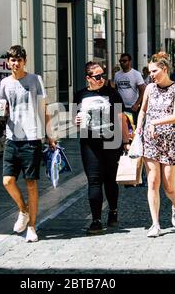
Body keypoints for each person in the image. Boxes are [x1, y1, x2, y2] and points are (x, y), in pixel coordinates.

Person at [0, 45, 57, 243]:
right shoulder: (4, 83)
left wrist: (50, 134)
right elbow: (3, 108)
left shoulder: (34, 80)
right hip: (12, 137)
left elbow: (44, 108)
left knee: (31, 184)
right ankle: (23, 210)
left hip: (31, 138)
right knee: (7, 181)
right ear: (8, 62)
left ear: (25, 61)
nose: (16, 63)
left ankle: (32, 227)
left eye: (19, 59)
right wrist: (0, 111)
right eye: (12, 60)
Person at [74, 61, 130, 235]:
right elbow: (77, 119)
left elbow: (121, 119)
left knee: (110, 179)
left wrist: (126, 142)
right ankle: (96, 220)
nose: (102, 79)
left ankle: (113, 211)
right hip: (89, 143)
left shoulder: (112, 93)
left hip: (111, 141)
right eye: (97, 76)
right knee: (94, 180)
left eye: (103, 75)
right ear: (88, 78)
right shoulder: (80, 95)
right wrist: (76, 122)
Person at [136, 52, 175, 238]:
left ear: (164, 69)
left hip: (171, 140)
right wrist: (139, 130)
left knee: (168, 186)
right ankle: (155, 224)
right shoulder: (149, 88)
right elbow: (143, 111)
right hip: (150, 140)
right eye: (150, 72)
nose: (151, 75)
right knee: (153, 183)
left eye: (154, 71)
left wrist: (155, 123)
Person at [112, 53, 145, 125]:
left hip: (131, 107)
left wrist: (137, 104)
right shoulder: (117, 74)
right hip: (119, 106)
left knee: (131, 130)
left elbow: (142, 90)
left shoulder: (136, 74)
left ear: (130, 61)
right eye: (120, 61)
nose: (122, 63)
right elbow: (116, 90)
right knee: (119, 130)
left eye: (124, 61)